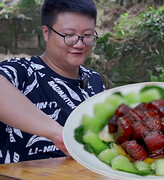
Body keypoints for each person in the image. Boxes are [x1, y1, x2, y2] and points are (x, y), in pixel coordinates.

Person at [0, 0, 105, 164]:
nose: (79, 44)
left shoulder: (94, 80)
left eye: (87, 36)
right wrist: (59, 134)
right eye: (69, 35)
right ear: (46, 32)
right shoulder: (21, 72)